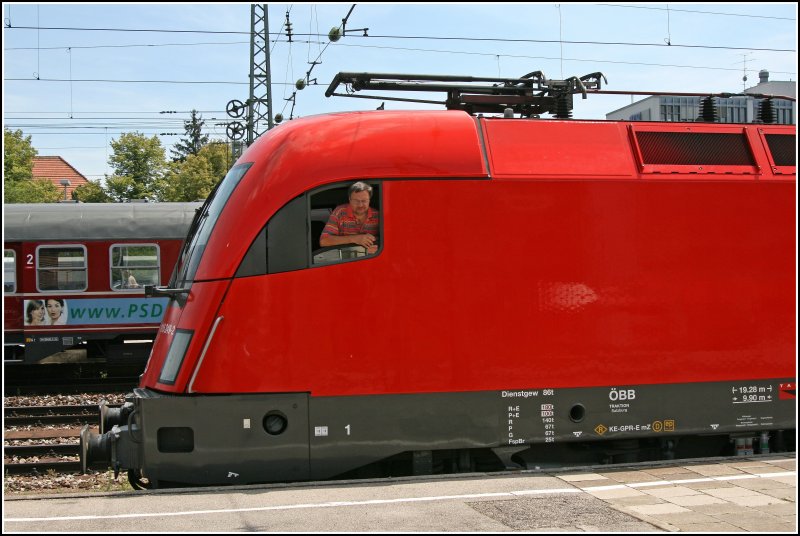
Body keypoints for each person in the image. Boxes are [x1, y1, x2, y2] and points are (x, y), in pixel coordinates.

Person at [319, 182, 380, 254]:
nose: (360, 205)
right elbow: (324, 241)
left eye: (364, 201)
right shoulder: (339, 212)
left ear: (369, 199)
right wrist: (354, 238)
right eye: (356, 201)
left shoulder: (378, 215)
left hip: (372, 261)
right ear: (349, 199)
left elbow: (389, 241)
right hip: (346, 261)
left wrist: (376, 245)